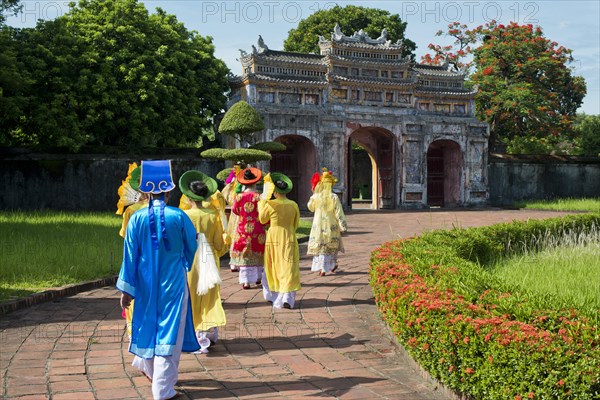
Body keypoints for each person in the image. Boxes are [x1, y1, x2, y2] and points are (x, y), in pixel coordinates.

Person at [117, 160, 200, 400]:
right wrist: (183, 261)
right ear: (170, 189)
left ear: (144, 190)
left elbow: (129, 256)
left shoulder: (136, 219)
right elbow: (191, 246)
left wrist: (126, 288)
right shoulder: (180, 216)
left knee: (148, 324)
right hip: (174, 283)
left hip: (144, 284)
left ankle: (148, 368)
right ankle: (162, 390)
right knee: (170, 332)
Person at [178, 170, 228, 354]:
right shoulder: (212, 214)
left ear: (188, 196)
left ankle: (192, 335)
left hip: (189, 258)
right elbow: (218, 242)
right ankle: (207, 333)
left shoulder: (183, 215)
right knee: (209, 295)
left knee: (190, 295)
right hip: (209, 257)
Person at [258, 172, 301, 309]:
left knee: (274, 264)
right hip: (289, 235)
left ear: (275, 191)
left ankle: (274, 296)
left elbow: (262, 219)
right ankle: (288, 297)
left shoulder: (270, 204)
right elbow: (296, 223)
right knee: (289, 265)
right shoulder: (293, 204)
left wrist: (262, 203)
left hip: (274, 235)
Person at [115, 163, 149, 339]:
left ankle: (134, 332)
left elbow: (127, 238)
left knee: (134, 295)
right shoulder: (164, 208)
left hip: (137, 258)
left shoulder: (131, 211)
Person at [229, 167, 266, 289]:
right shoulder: (260, 197)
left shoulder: (239, 197)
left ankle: (246, 281)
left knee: (245, 254)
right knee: (258, 251)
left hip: (243, 229)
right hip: (258, 228)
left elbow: (235, 210)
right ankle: (259, 278)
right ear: (256, 181)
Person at [307, 168, 348, 276]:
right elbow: (339, 212)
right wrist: (342, 225)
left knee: (321, 246)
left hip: (318, 225)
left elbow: (310, 208)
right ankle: (330, 265)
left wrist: (313, 195)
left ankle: (323, 267)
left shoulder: (316, 197)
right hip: (331, 224)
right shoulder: (333, 197)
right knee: (330, 246)